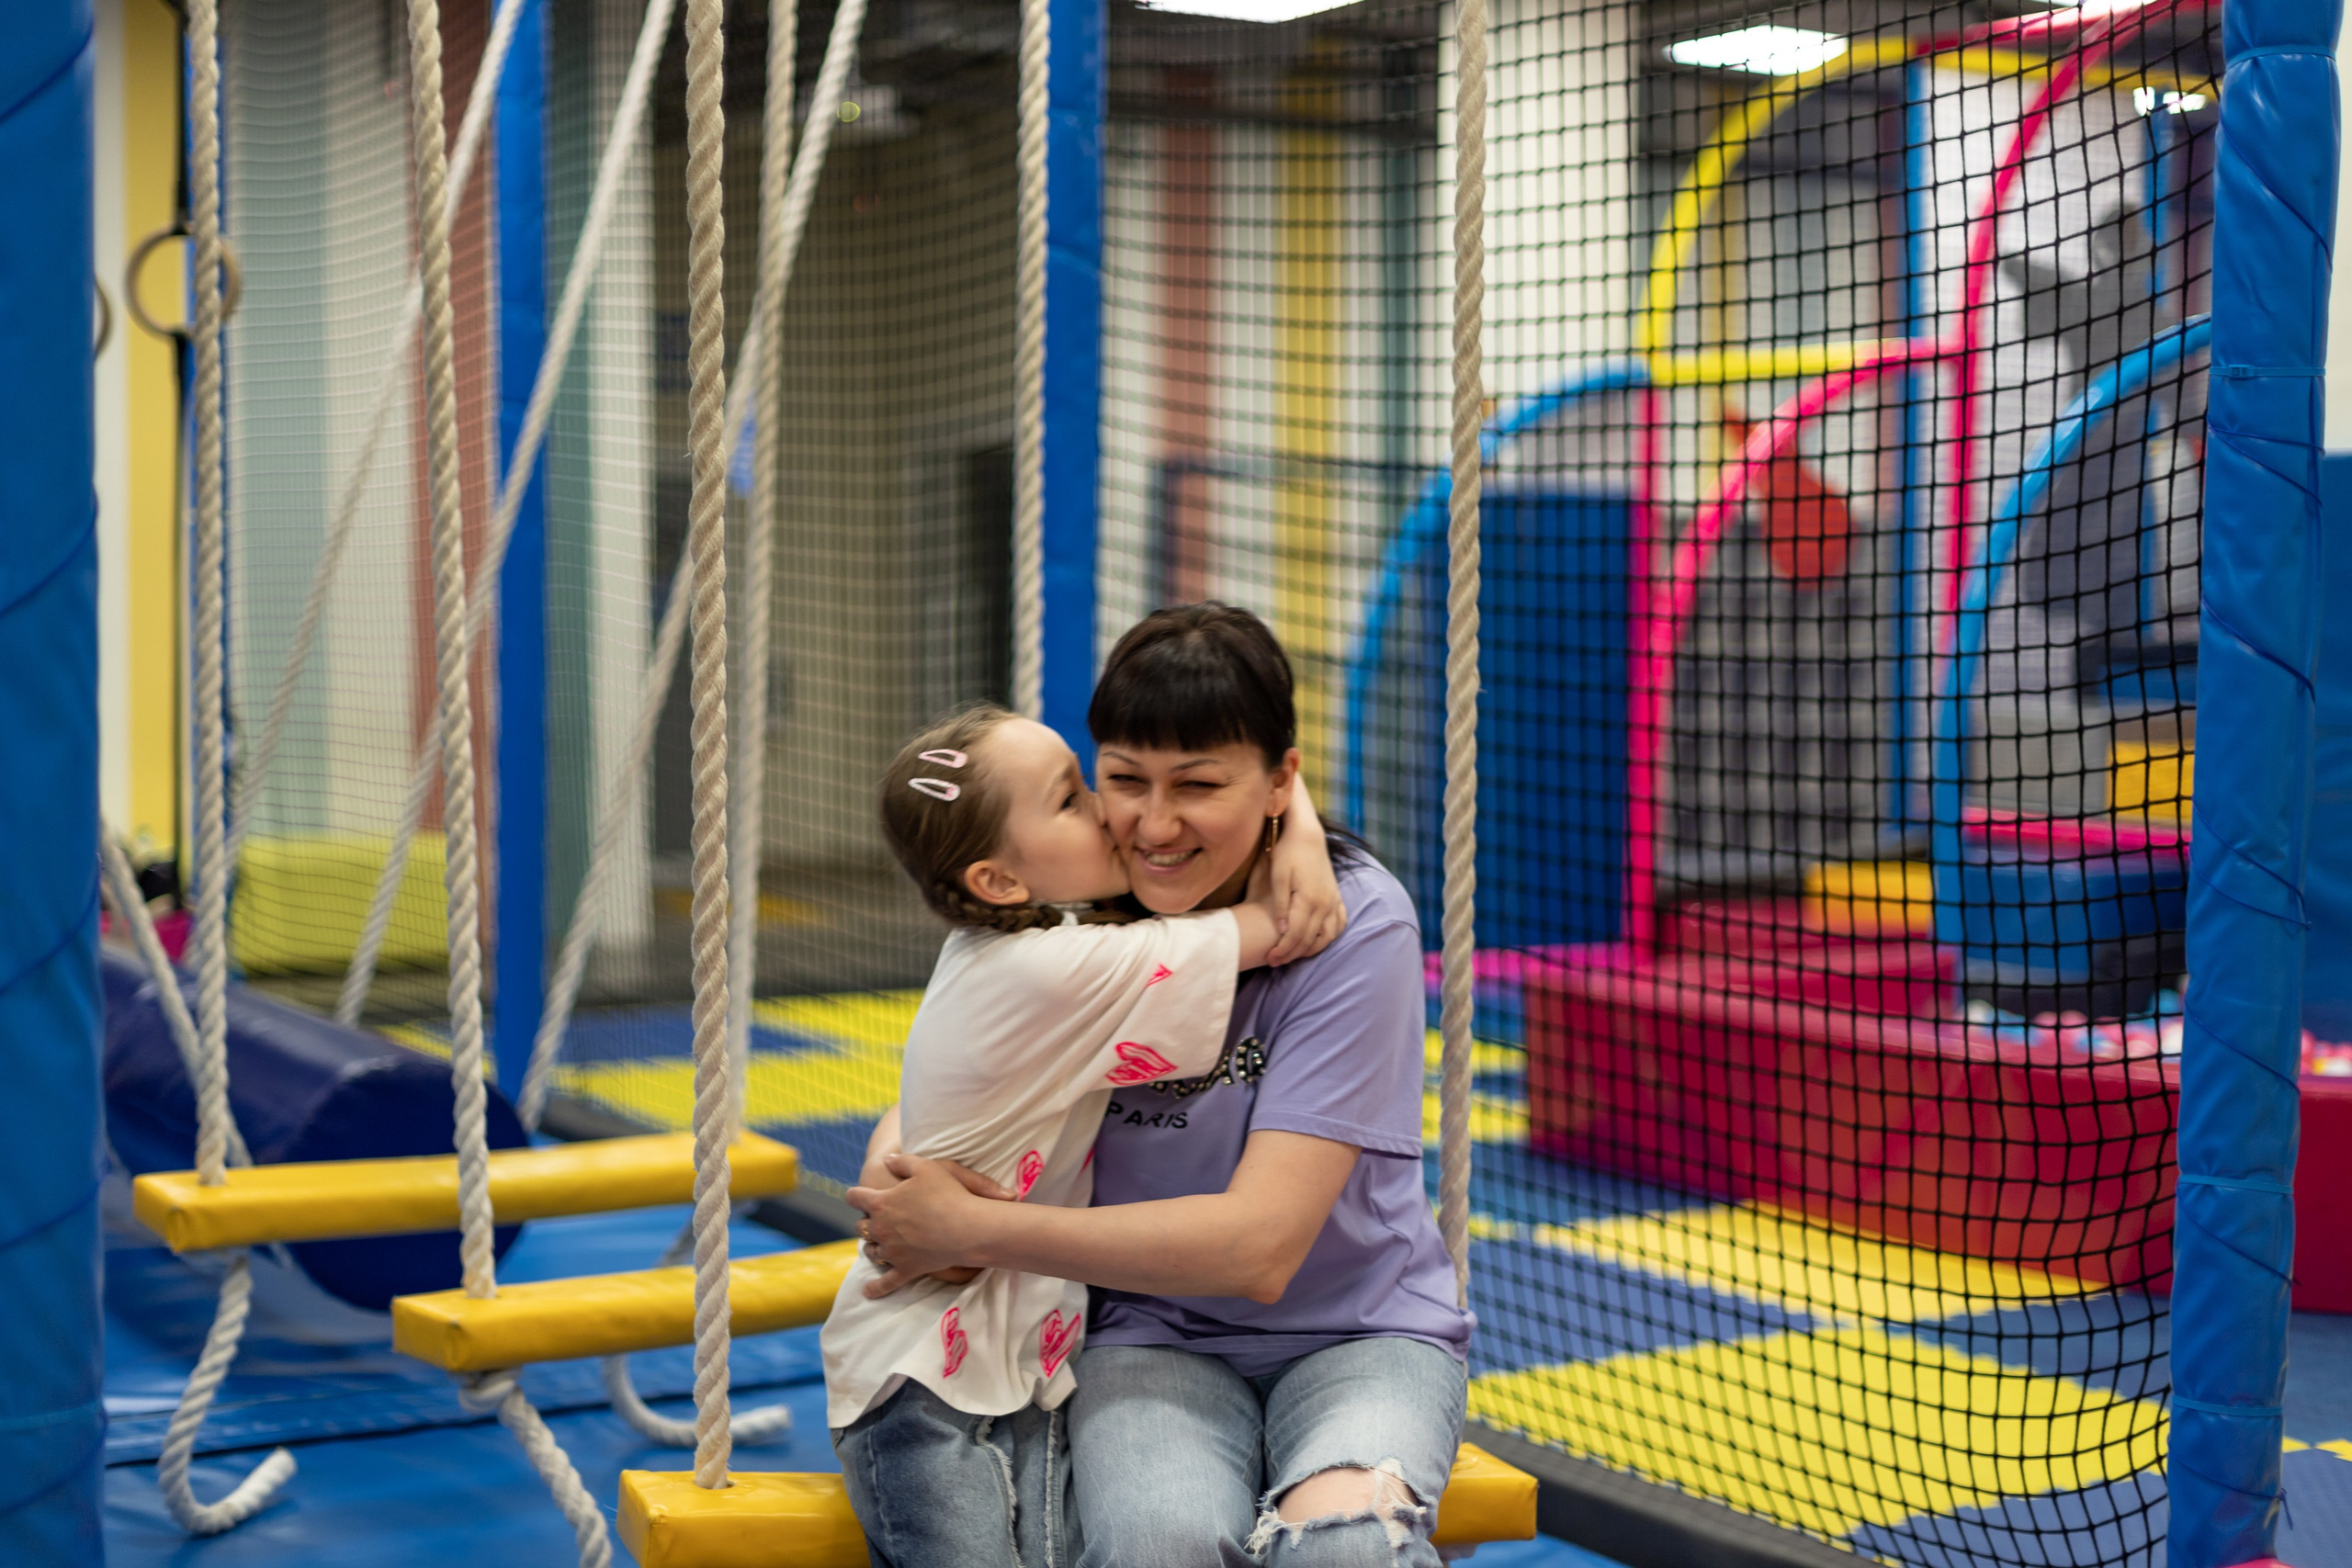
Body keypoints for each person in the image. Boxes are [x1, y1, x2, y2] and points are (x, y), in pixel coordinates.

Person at [853, 604, 1475, 1568]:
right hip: (1146, 1330)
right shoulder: (1070, 910)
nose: (1152, 824)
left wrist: (973, 1228)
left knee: (1343, 1548)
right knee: (1158, 1545)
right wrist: (904, 1170)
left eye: (1198, 787)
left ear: (1276, 782)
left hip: (1352, 1330)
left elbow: (1259, 1250)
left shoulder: (1355, 923)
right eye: (1121, 783)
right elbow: (975, 1064)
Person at [825, 702, 1347, 1568]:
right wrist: (1297, 827)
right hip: (920, 1379)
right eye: (1072, 799)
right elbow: (1287, 926)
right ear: (998, 880)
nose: (1110, 811)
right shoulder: (1057, 966)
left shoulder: (1039, 941)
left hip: (1018, 1362)